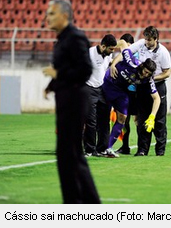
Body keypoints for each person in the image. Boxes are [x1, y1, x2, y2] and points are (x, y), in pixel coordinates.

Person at [42, 0, 100, 204]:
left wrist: (58, 74)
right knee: (67, 155)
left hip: (75, 100)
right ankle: (74, 202)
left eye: (51, 14)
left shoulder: (76, 37)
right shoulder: (62, 39)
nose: (47, 17)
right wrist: (51, 84)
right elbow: (65, 67)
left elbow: (84, 70)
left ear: (64, 16)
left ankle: (86, 202)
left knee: (72, 154)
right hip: (65, 98)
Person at [111, 26, 171, 156]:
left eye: (149, 40)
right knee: (142, 119)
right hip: (142, 87)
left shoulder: (163, 52)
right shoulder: (141, 44)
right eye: (145, 39)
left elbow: (167, 73)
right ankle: (142, 150)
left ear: (156, 39)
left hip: (158, 86)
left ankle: (160, 151)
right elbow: (124, 53)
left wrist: (152, 78)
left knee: (159, 121)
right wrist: (113, 64)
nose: (146, 42)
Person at [102, 41, 161, 158]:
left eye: (149, 74)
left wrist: (152, 117)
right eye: (145, 72)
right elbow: (123, 44)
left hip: (122, 92)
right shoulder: (132, 62)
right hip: (109, 84)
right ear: (142, 66)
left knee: (122, 118)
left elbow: (157, 98)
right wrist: (113, 63)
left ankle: (108, 148)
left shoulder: (148, 79)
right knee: (101, 117)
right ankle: (92, 146)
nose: (145, 75)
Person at [83, 34, 117, 157]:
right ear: (103, 46)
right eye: (111, 49)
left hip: (102, 90)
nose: (112, 51)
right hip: (89, 89)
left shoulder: (108, 55)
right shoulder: (89, 54)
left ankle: (102, 148)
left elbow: (108, 65)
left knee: (104, 120)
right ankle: (89, 150)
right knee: (91, 121)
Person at [115, 33, 138, 155]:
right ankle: (125, 146)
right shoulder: (122, 56)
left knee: (137, 120)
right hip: (124, 92)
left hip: (135, 93)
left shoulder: (136, 56)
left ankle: (142, 147)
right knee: (125, 120)